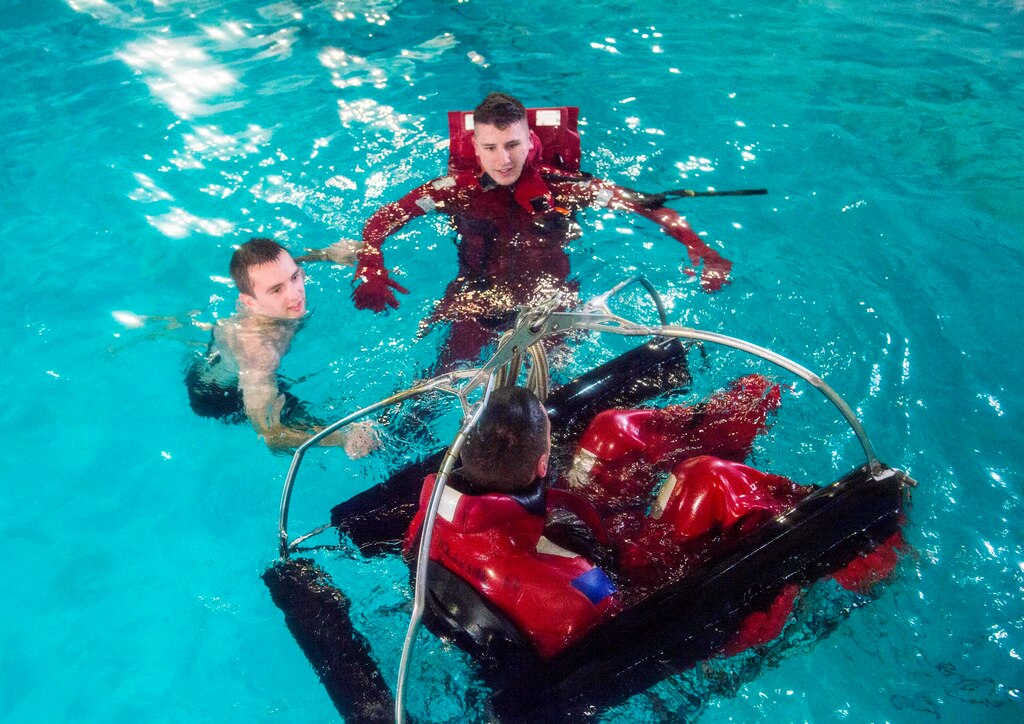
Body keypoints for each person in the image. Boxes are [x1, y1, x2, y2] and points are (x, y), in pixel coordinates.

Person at [403, 383, 810, 657]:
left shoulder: (424, 518)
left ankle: (736, 419)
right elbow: (624, 607)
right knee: (708, 480)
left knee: (611, 430)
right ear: (544, 464)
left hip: (538, 547)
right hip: (604, 588)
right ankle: (826, 513)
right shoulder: (573, 596)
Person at [352, 92, 733, 368]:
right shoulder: (454, 193)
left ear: (531, 141)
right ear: (476, 145)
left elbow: (644, 206)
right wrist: (371, 266)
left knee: (551, 394)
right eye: (492, 147)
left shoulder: (565, 187)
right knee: (436, 386)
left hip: (550, 302)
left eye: (513, 144)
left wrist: (700, 248)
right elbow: (381, 222)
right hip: (476, 300)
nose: (503, 160)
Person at [185, 237, 376, 457]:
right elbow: (272, 436)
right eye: (276, 290)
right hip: (220, 395)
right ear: (250, 302)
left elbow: (286, 270)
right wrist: (342, 438)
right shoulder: (260, 352)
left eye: (295, 277)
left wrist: (327, 254)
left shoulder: (278, 281)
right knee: (301, 418)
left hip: (225, 355)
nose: (295, 294)